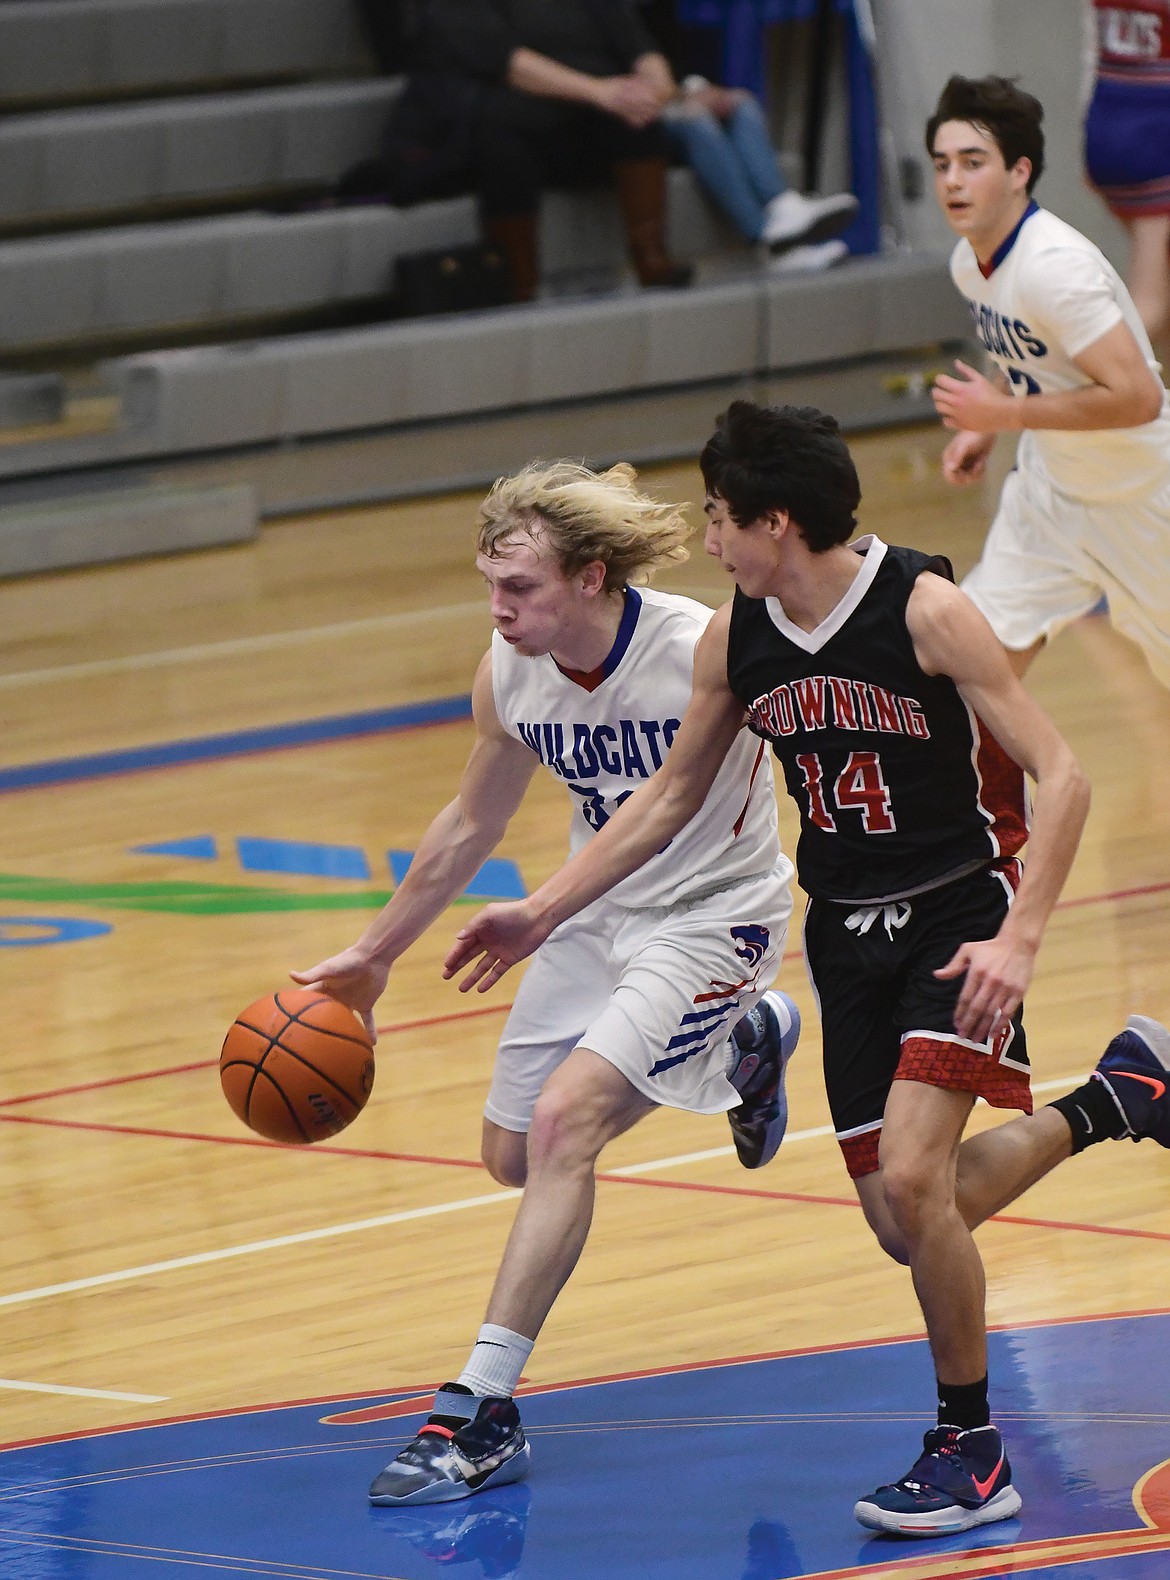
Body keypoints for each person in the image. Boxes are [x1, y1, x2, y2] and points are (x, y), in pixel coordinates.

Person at [443, 401, 1170, 1537]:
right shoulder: (741, 636)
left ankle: (972, 1447)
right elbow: (671, 796)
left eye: (722, 516)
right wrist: (542, 909)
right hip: (842, 934)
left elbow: (1063, 773)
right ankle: (1121, 1097)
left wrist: (1020, 935)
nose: (709, 536)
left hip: (956, 919)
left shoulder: (926, 608)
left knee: (924, 1183)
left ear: (777, 520)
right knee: (903, 1216)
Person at [291, 458, 799, 1505]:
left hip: (710, 916)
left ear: (591, 576)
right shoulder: (507, 668)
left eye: (518, 587)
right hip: (587, 909)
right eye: (490, 585)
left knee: (569, 1122)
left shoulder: (698, 646)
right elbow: (471, 821)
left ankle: (477, 1409)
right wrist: (376, 952)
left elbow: (664, 807)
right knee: (513, 1154)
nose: (498, 608)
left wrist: (540, 910)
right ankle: (746, 1047)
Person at [926, 74, 1170, 687]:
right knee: (969, 662)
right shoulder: (969, 260)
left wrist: (1000, 417)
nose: (953, 180)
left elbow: (1138, 399)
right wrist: (989, 421)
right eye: (942, 164)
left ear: (1019, 172)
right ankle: (1003, 788)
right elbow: (1022, 351)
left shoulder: (1055, 269)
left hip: (1141, 497)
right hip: (1052, 492)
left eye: (972, 162)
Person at [402, 0, 695, 301]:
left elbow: (640, 47)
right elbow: (507, 63)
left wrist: (653, 89)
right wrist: (601, 93)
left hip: (591, 121)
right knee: (500, 135)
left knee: (637, 118)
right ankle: (520, 282)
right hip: (507, 113)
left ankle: (652, 259)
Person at [660, 76, 858, 273]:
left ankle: (784, 206)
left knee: (740, 103)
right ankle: (768, 240)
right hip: (650, 124)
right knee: (696, 121)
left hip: (675, 97)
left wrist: (708, 94)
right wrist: (683, 98)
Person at [1084, 0, 1170, 356]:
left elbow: (1090, 54)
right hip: (1155, 137)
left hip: (1105, 126)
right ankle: (1062, 384)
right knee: (1150, 301)